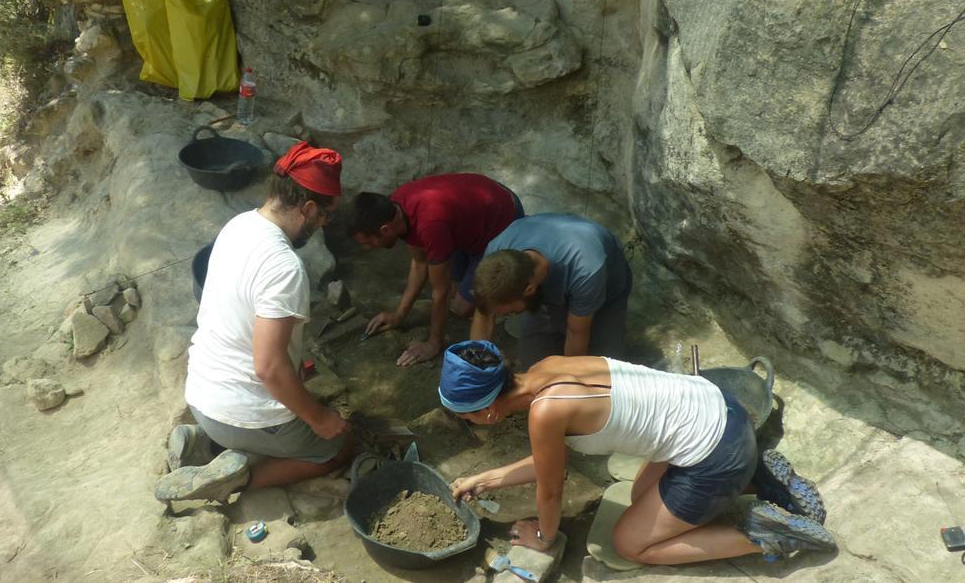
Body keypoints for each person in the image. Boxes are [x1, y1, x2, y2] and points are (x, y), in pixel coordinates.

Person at [439, 341, 834, 564]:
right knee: (637, 497)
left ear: (488, 411)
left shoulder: (546, 412)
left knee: (630, 544)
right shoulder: (547, 366)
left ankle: (767, 535)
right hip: (725, 412)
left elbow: (551, 487)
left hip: (714, 455)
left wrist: (544, 535)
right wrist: (484, 479)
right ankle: (760, 479)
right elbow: (548, 463)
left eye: (465, 415)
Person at [154, 141, 356, 503]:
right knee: (338, 447)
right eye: (325, 215)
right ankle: (233, 482)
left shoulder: (238, 225)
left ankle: (203, 442)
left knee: (294, 390)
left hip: (201, 398)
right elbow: (268, 367)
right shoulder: (285, 267)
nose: (323, 223)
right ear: (308, 208)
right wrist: (320, 418)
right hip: (240, 413)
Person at [348, 173, 524, 366]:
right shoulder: (396, 207)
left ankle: (504, 297)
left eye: (368, 242)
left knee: (461, 307)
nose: (368, 248)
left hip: (501, 218)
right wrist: (398, 315)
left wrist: (433, 343)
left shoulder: (430, 225)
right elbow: (419, 261)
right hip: (469, 220)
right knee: (456, 291)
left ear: (385, 230)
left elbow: (441, 291)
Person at [471, 213, 631, 366]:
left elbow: (577, 334)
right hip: (549, 286)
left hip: (605, 289)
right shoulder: (496, 254)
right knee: (533, 362)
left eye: (509, 312)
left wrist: (567, 384)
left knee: (603, 367)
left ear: (528, 290)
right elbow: (483, 314)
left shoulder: (585, 268)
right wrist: (476, 365)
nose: (508, 315)